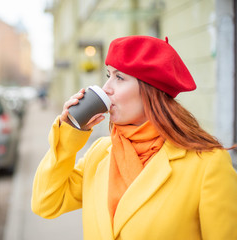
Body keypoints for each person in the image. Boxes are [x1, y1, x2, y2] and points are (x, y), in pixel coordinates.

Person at [31, 35, 237, 240]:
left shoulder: (206, 164)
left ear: (151, 90)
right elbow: (46, 203)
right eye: (108, 75)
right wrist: (68, 134)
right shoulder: (100, 153)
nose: (106, 88)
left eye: (119, 78)